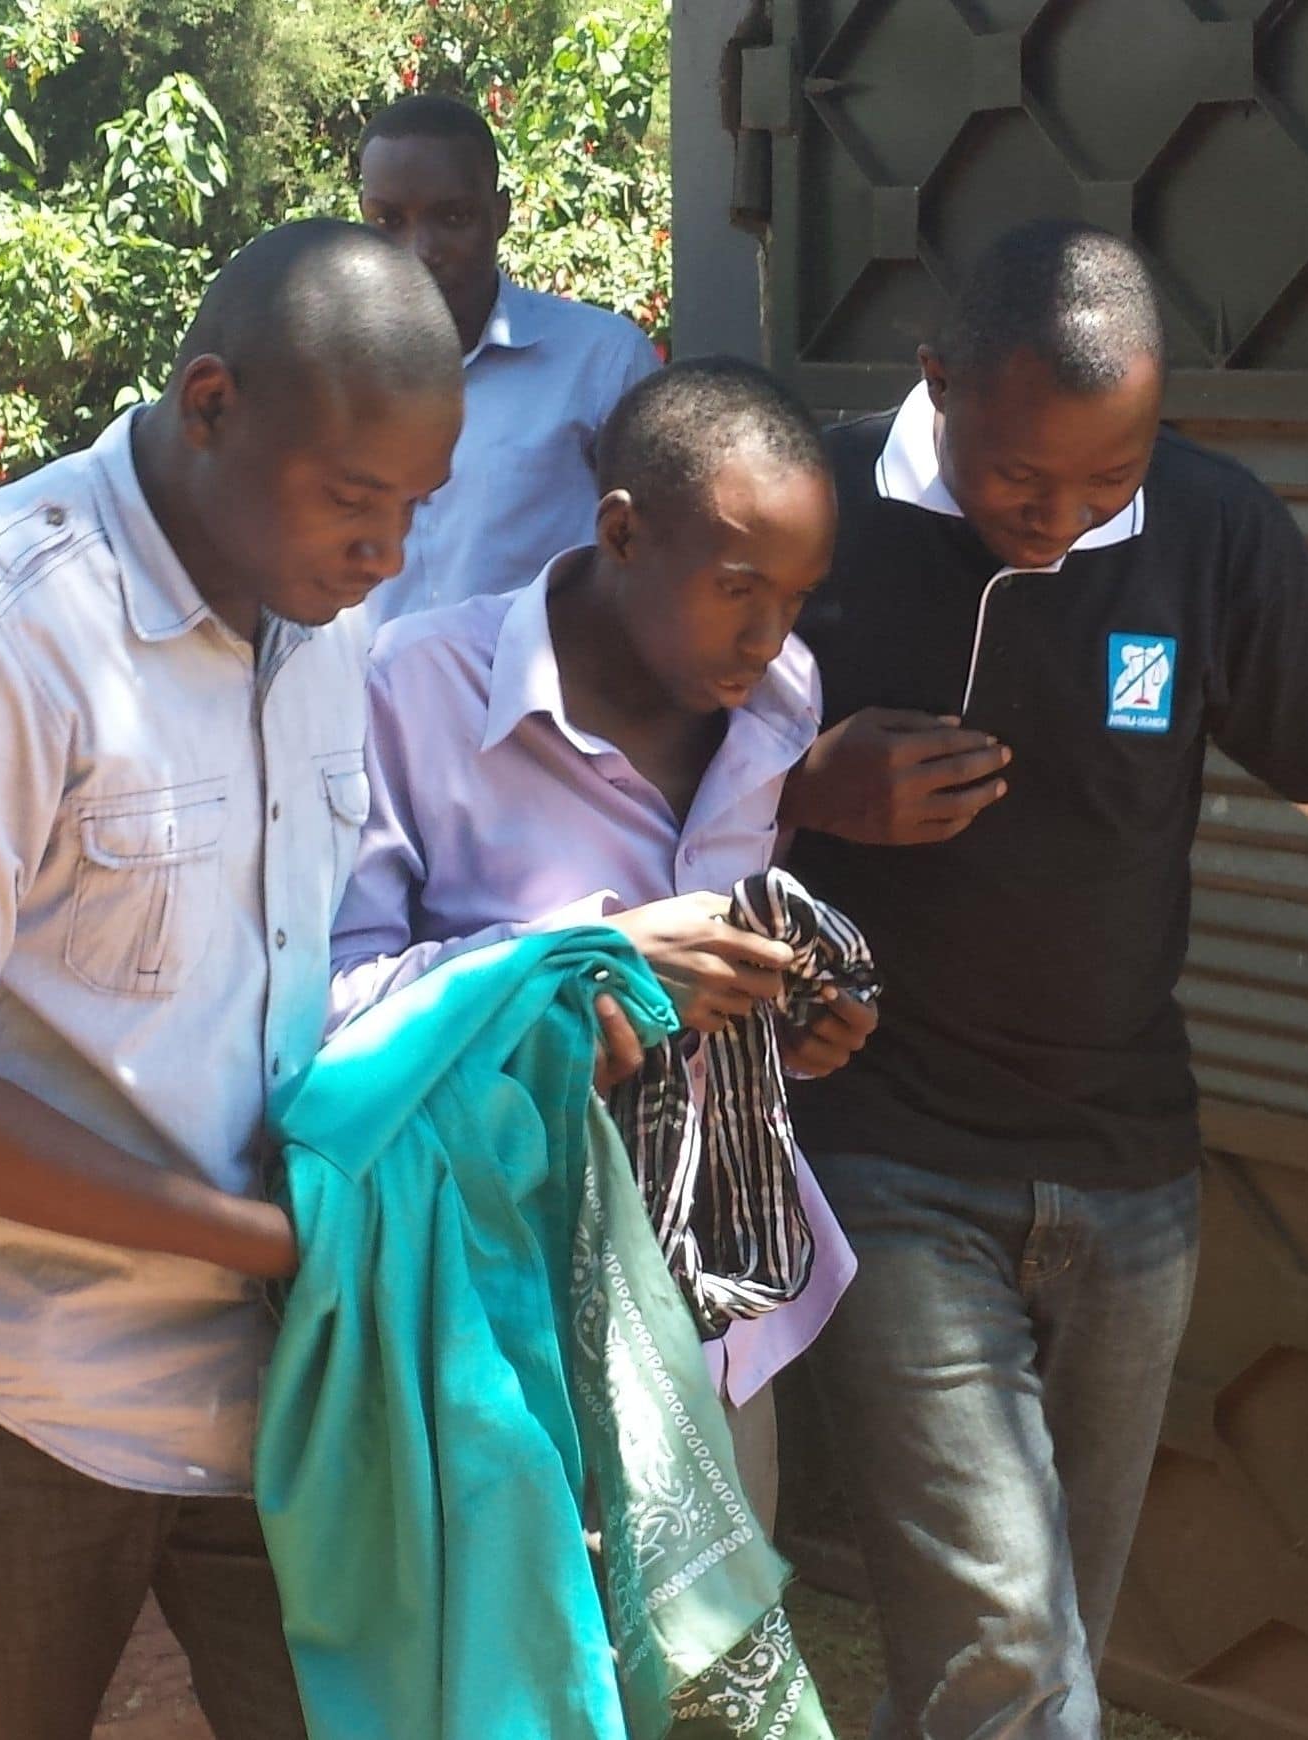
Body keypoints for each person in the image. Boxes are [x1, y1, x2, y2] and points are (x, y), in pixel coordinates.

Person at [781, 220, 1308, 1738]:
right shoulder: (807, 504)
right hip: (882, 1161)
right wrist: (804, 792)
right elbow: (620, 779)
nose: (1066, 518)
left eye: (1113, 476)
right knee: (1016, 1661)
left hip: (1129, 1188)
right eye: (1024, 477)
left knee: (1018, 1661)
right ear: (935, 383)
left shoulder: (1212, 533)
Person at [0, 219, 466, 1740]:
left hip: (269, 1380)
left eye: (417, 510)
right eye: (357, 499)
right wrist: (261, 1239)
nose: (388, 556)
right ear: (211, 402)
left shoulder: (322, 631)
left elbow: (292, 974)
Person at [327, 356, 872, 1523]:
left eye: (798, 597)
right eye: (739, 589)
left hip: (717, 1318)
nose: (770, 635)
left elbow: (721, 976)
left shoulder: (780, 701)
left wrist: (791, 1019)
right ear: (622, 534)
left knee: (710, 1694)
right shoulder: (411, 693)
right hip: (493, 1311)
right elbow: (332, 1008)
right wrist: (588, 969)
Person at [353, 92, 661, 625]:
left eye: (452, 216)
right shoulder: (326, 378)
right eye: (388, 221)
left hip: (534, 703)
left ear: (500, 215)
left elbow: (659, 563)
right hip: (363, 705)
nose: (420, 249)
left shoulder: (601, 361)